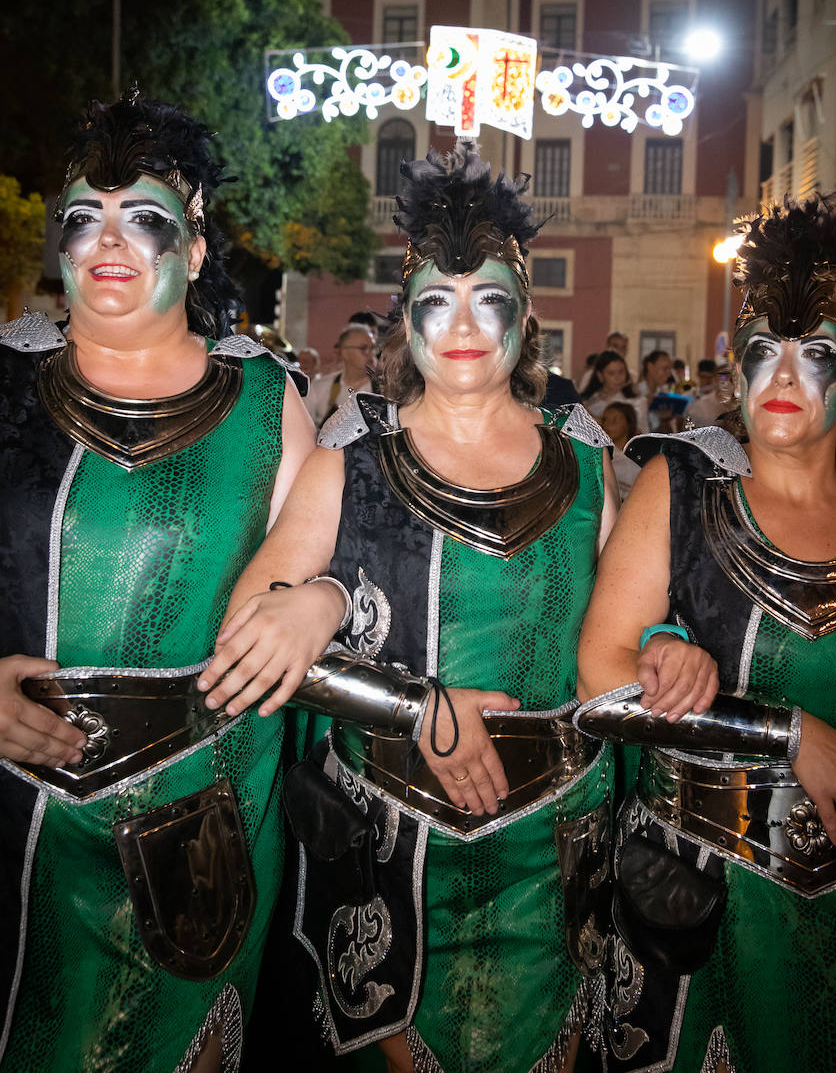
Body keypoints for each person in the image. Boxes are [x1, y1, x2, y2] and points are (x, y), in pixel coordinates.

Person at [209, 143, 620, 1073]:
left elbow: (627, 640)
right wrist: (386, 676)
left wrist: (674, 639)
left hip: (555, 859)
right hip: (394, 860)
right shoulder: (345, 464)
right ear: (409, 322)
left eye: (490, 301)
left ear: (525, 320)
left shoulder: (588, 466)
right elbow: (246, 643)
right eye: (438, 300)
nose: (464, 325)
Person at [0, 92, 315, 1073]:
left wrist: (324, 602)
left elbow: (327, 571)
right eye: (83, 218)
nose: (107, 240)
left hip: (200, 837)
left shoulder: (266, 403)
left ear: (195, 240)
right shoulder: (4, 386)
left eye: (144, 217)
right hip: (17, 830)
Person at [577, 195, 836, 1072]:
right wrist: (787, 734)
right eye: (763, 351)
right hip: (704, 905)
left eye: (819, 357)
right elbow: (601, 679)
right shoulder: (681, 484)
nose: (785, 378)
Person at [306, 322, 378, 427]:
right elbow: (305, 428)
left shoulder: (385, 389)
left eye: (373, 348)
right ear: (345, 352)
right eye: (364, 348)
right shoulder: (320, 386)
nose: (371, 354)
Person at [582, 351, 648, 433]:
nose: (618, 378)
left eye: (621, 372)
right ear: (600, 375)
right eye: (611, 373)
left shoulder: (637, 401)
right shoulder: (588, 402)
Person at [599, 402, 640, 501]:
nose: (607, 425)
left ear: (629, 424)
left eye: (615, 420)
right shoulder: (600, 454)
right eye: (605, 420)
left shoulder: (638, 457)